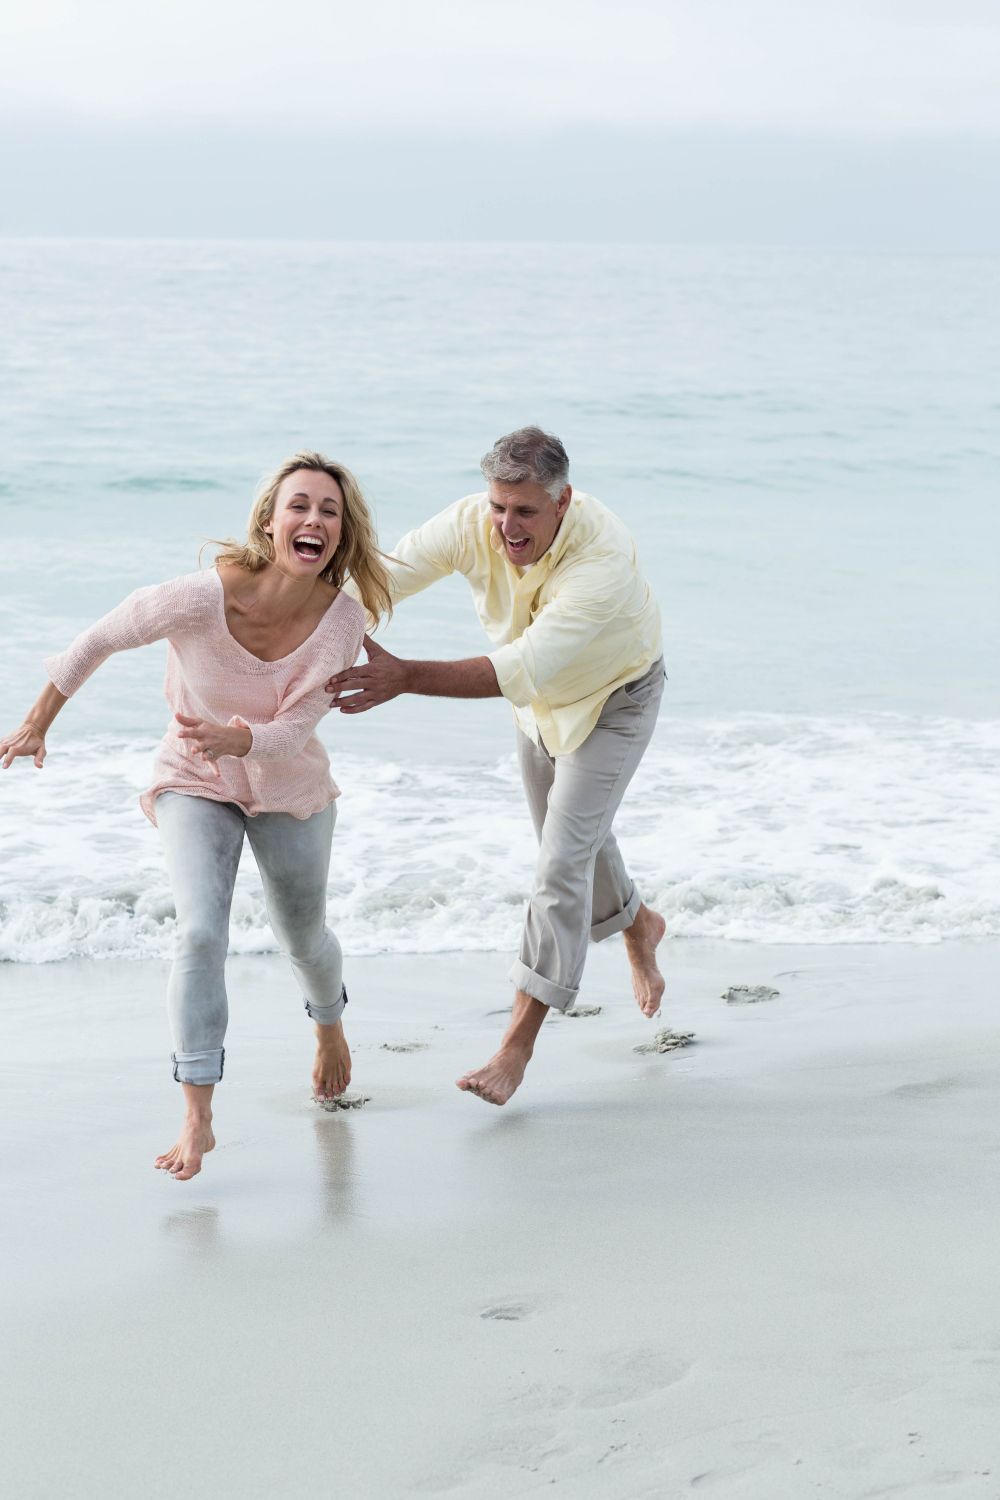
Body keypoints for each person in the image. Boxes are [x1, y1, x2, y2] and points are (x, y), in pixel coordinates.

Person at [1, 451, 391, 1179]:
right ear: (270, 521)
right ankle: (197, 1114)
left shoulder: (343, 620)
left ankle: (330, 1024)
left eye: (329, 511)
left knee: (302, 935)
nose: (314, 519)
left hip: (289, 788)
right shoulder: (198, 597)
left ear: (342, 533)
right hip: (192, 779)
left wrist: (241, 737)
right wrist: (36, 724)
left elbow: (296, 729)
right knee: (200, 932)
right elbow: (99, 639)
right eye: (299, 505)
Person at [328, 426, 666, 1106]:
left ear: (563, 501)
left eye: (525, 511)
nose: (507, 525)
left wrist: (404, 677)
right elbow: (380, 582)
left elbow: (521, 665)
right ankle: (638, 923)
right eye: (498, 507)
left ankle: (516, 1046)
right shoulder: (470, 523)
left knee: (560, 863)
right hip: (537, 710)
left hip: (614, 702)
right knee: (574, 841)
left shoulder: (601, 562)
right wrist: (289, 638)